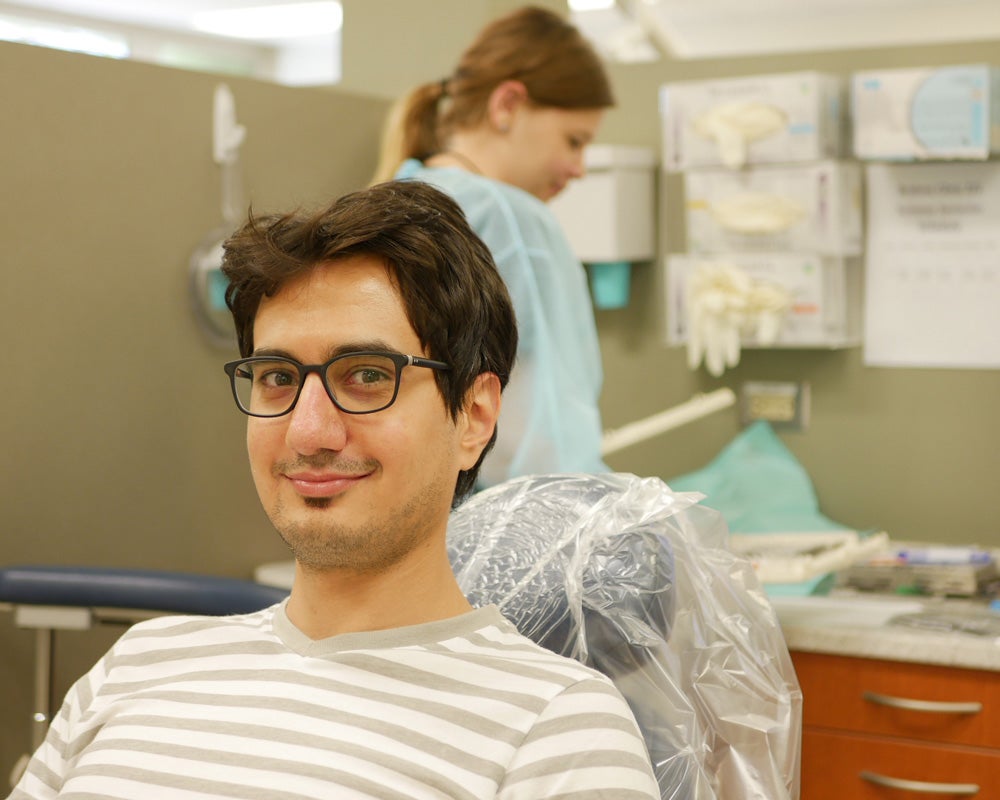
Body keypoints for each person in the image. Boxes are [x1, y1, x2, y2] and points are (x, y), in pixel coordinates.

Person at [10, 181, 659, 800]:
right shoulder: (136, 667)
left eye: (367, 375)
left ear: (474, 416)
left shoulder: (555, 728)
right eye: (276, 377)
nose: (309, 430)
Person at [373, 5, 615, 487]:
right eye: (573, 140)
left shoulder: (394, 195)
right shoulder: (511, 222)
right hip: (501, 532)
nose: (579, 168)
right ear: (506, 105)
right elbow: (547, 442)